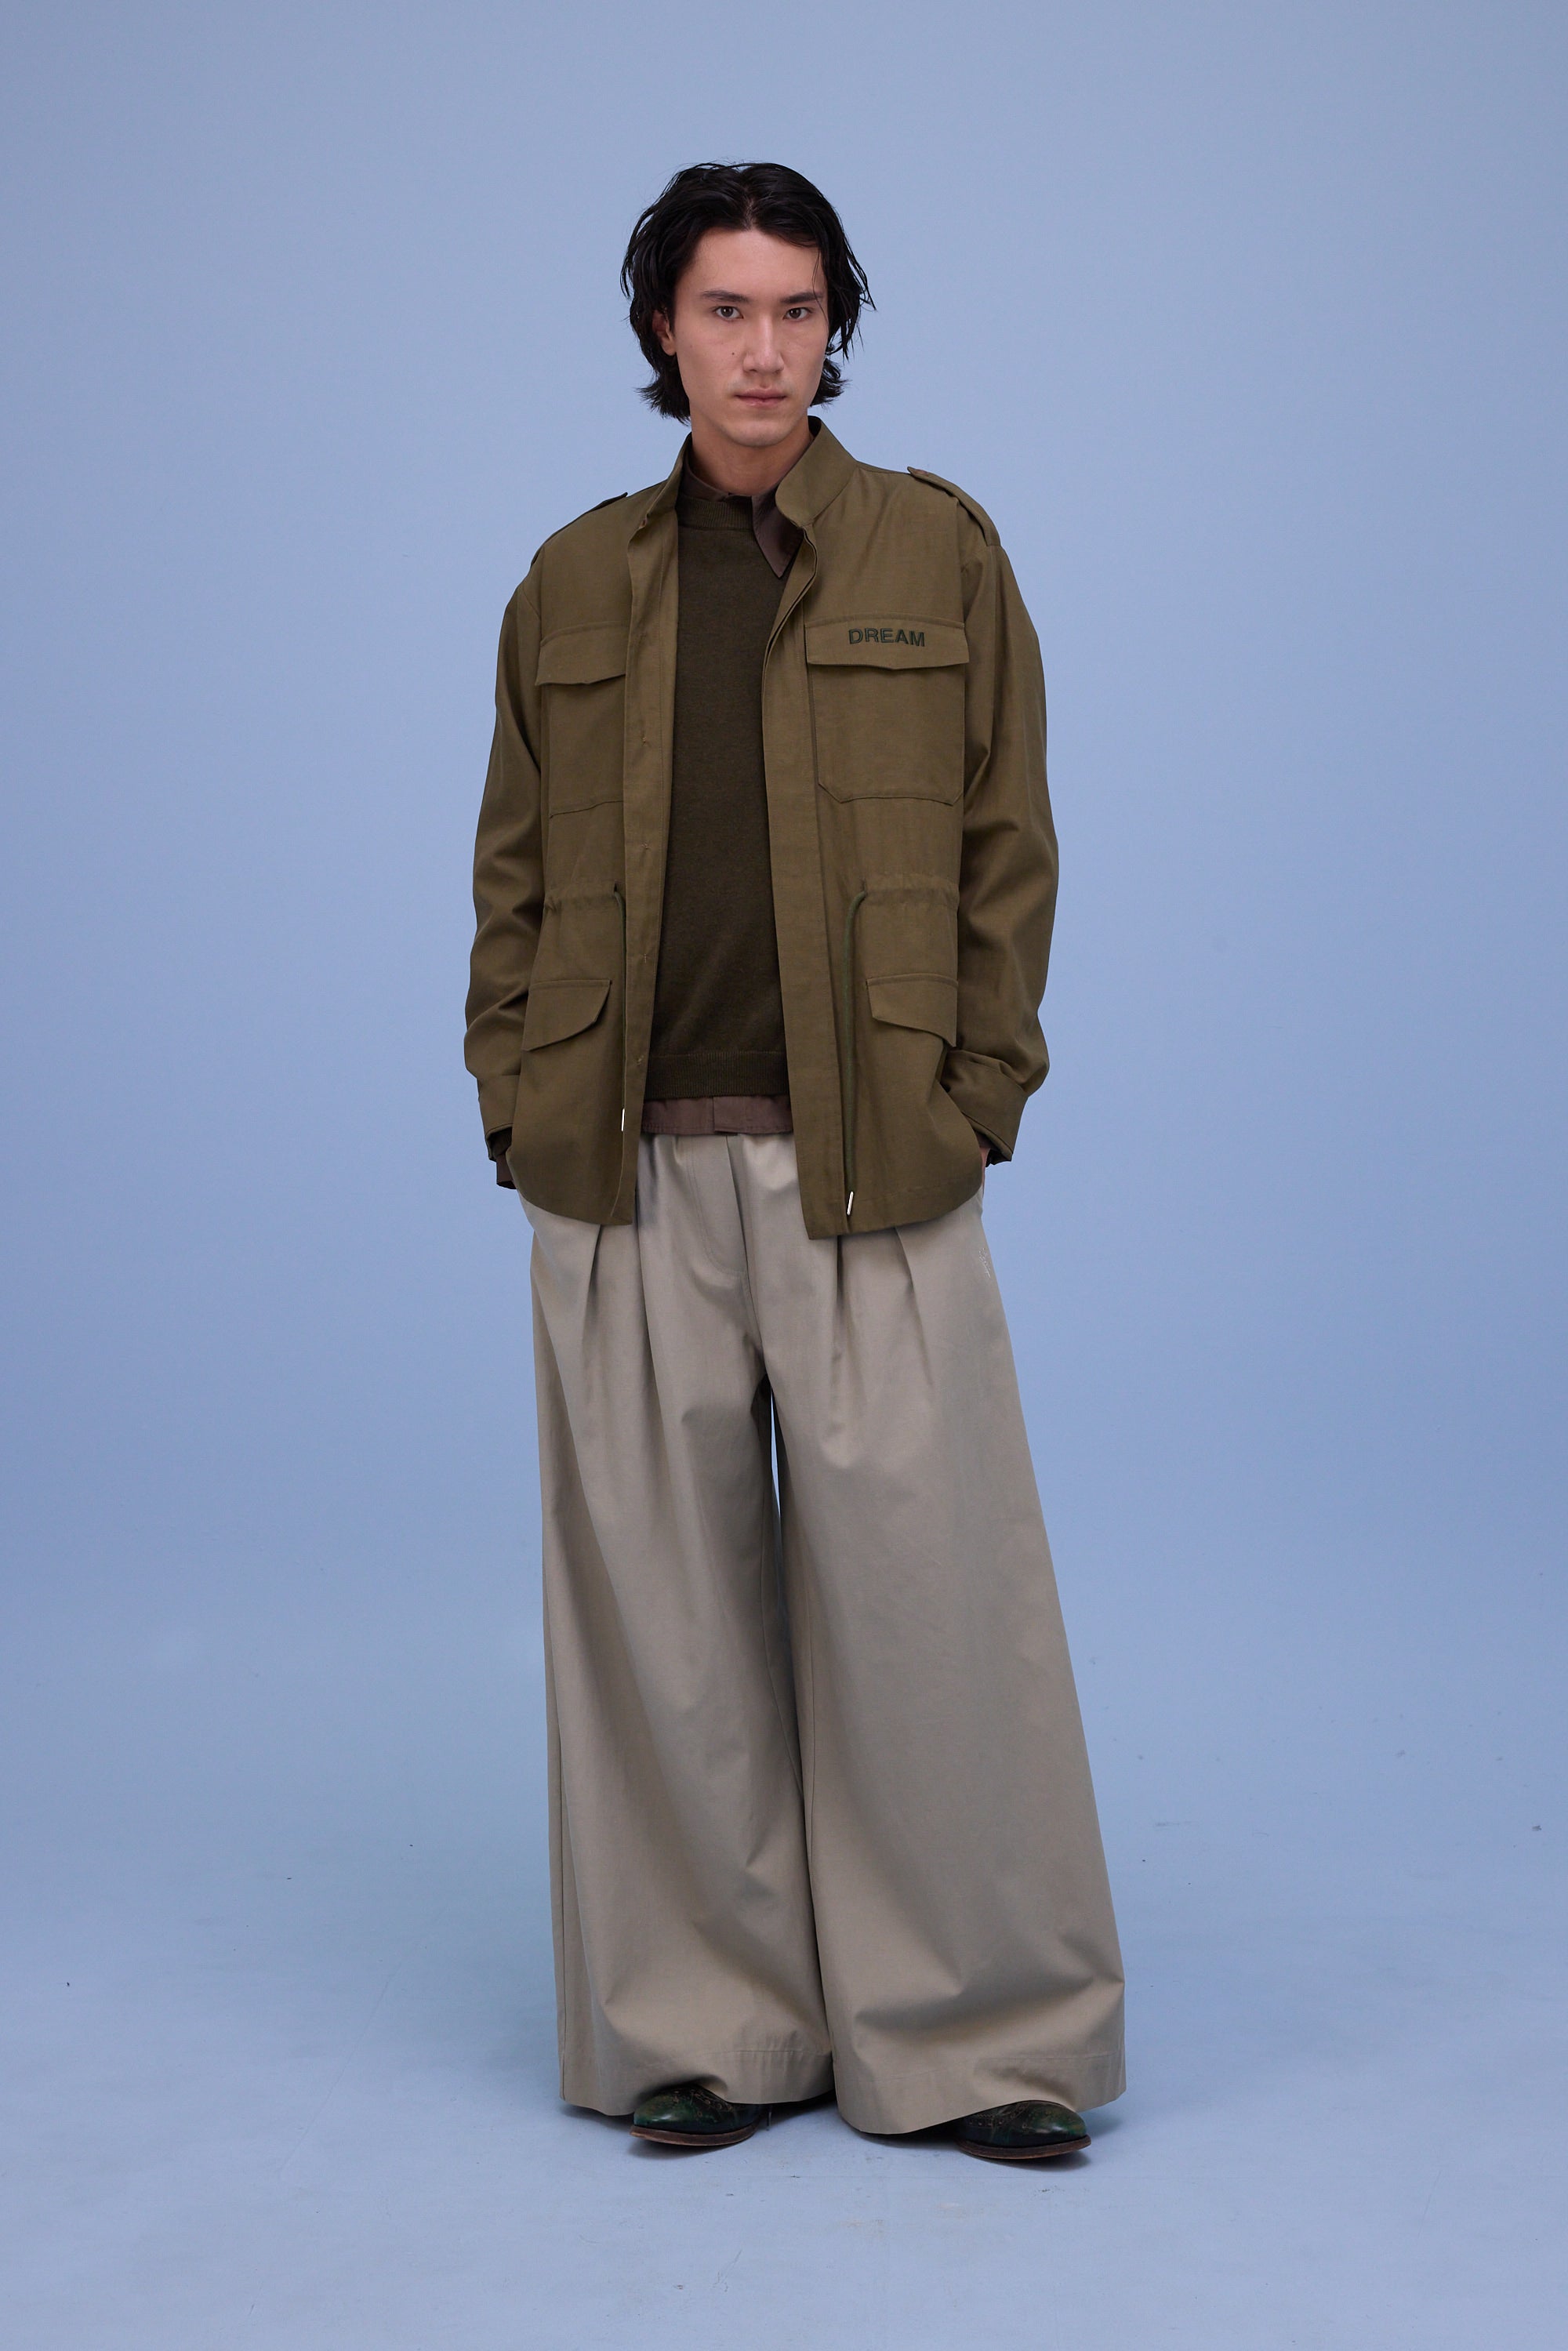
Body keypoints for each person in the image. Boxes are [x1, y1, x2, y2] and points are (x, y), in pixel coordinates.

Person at [464, 161, 1124, 2161]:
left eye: (797, 309)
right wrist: (514, 1097)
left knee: (934, 1623)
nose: (763, 349)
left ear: (835, 329)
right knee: (661, 1640)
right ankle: (704, 2029)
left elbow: (1009, 846)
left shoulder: (939, 548)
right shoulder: (571, 583)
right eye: (724, 310)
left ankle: (980, 2039)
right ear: (662, 332)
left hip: (877, 1167)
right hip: (623, 1171)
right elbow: (512, 875)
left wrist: (975, 1092)